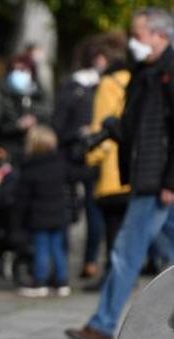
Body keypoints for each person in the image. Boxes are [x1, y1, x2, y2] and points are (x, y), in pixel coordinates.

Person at [66, 8, 174, 339]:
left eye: (139, 35)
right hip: (147, 175)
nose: (133, 42)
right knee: (165, 247)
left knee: (126, 251)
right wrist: (110, 130)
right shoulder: (146, 71)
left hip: (156, 179)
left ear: (160, 36)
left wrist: (170, 181)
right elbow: (134, 126)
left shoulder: (168, 72)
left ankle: (103, 324)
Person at [53, 36, 107, 280]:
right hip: (93, 158)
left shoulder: (71, 88)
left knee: (64, 210)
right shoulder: (105, 87)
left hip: (71, 157)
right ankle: (89, 261)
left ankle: (62, 262)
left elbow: (57, 125)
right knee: (93, 212)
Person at [83, 33, 131, 289]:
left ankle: (113, 280)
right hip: (134, 167)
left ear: (102, 59)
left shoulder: (108, 84)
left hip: (112, 171)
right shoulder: (135, 79)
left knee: (112, 230)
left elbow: (100, 127)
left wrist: (91, 156)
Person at [15, 126, 72, 297]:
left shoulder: (30, 168)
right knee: (57, 248)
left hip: (39, 215)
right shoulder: (61, 164)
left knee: (42, 248)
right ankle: (62, 282)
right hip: (59, 214)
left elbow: (23, 198)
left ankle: (40, 281)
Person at [0, 52, 52, 163]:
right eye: (14, 70)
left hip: (34, 151)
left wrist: (36, 120)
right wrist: (17, 125)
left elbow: (49, 117)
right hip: (8, 150)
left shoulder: (40, 95)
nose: (18, 74)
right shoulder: (1, 94)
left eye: (22, 70)